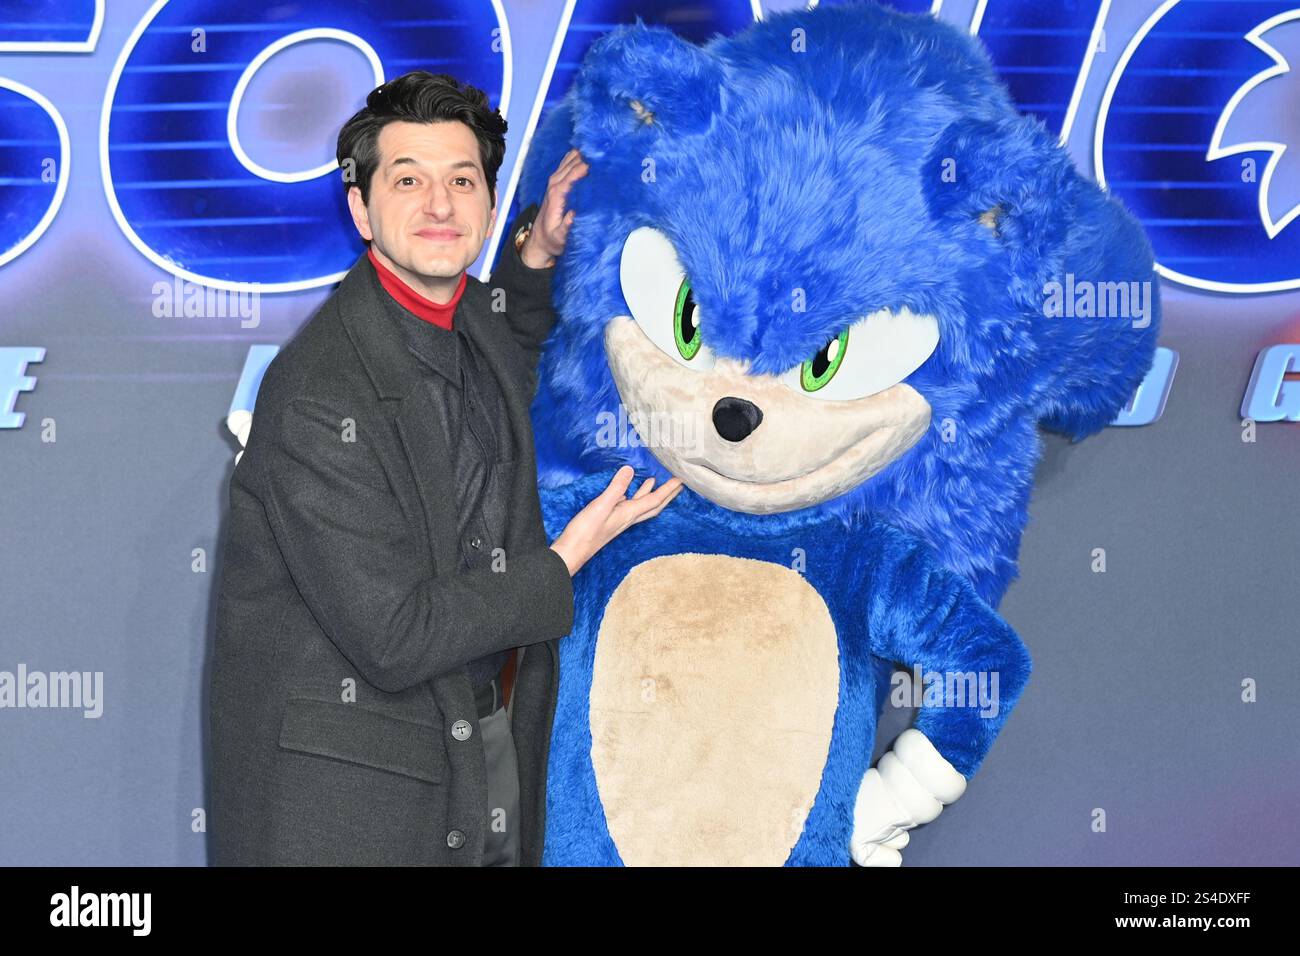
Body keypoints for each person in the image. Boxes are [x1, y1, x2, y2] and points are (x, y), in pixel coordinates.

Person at [207, 71, 682, 866]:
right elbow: (396, 635)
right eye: (408, 180)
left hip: (469, 753)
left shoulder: (455, 316)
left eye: (462, 181)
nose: (439, 205)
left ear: (488, 206)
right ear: (360, 209)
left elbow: (505, 345)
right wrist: (564, 560)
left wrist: (538, 251)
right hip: (350, 806)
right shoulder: (317, 395)